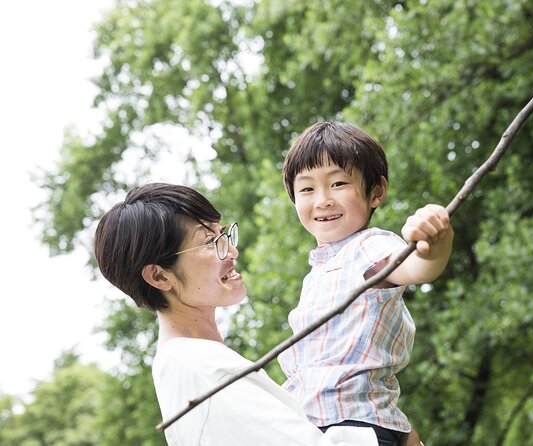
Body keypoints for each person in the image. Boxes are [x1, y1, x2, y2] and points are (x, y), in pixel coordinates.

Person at [94, 182, 427, 446]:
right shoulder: (202, 371)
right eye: (210, 242)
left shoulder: (199, 363)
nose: (232, 251)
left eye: (224, 233)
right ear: (159, 276)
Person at [278, 121, 454, 446]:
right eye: (307, 189)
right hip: (314, 428)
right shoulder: (316, 275)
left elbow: (413, 267)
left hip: (355, 425)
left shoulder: (369, 247)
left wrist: (435, 246)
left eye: (339, 183)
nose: (323, 199)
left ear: (376, 192)